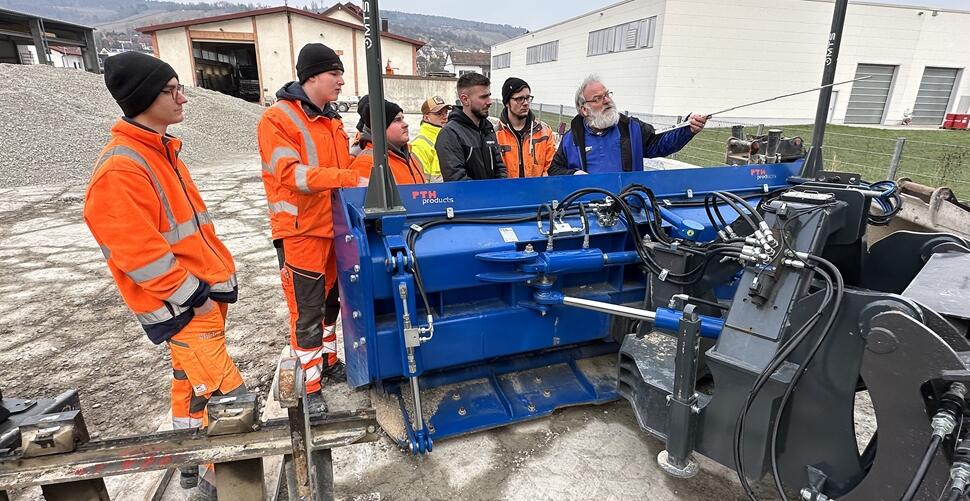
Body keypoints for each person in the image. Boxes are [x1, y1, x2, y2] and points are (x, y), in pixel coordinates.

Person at [84, 51, 245, 499]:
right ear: (143, 98)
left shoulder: (160, 152)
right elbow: (139, 254)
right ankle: (221, 483)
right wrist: (195, 297)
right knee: (229, 399)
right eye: (171, 90)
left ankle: (188, 459)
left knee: (189, 383)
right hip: (184, 306)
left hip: (197, 299)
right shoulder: (122, 167)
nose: (182, 98)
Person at [257, 43, 359, 400]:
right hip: (301, 232)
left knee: (332, 304)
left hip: (334, 229)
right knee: (307, 312)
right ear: (312, 76)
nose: (341, 81)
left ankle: (327, 362)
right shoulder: (278, 119)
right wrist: (348, 178)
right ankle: (309, 387)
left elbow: (343, 167)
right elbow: (290, 174)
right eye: (334, 73)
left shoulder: (332, 120)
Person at [548, 75, 708, 175]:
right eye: (598, 98)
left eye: (607, 94)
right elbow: (555, 169)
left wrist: (687, 128)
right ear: (584, 110)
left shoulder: (631, 128)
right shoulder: (571, 138)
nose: (607, 100)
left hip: (628, 207)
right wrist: (574, 175)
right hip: (588, 208)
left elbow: (660, 144)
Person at [435, 72, 508, 181]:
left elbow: (499, 167)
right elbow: (457, 179)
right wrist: (489, 191)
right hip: (471, 193)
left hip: (493, 192)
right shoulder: (450, 134)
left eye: (489, 96)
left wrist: (499, 188)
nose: (489, 102)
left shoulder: (487, 129)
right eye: (483, 97)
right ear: (465, 99)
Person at [350, 99, 426, 185]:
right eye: (397, 120)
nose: (405, 124)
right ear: (380, 127)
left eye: (402, 119)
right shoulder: (367, 162)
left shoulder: (410, 155)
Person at [495, 77, 556, 178]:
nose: (526, 103)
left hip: (538, 187)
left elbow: (552, 167)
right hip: (507, 188)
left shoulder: (544, 131)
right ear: (507, 103)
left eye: (527, 98)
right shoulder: (495, 135)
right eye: (519, 99)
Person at [410, 95, 451, 182]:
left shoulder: (447, 137)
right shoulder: (418, 145)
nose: (445, 117)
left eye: (446, 113)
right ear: (426, 117)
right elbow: (421, 182)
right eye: (439, 113)